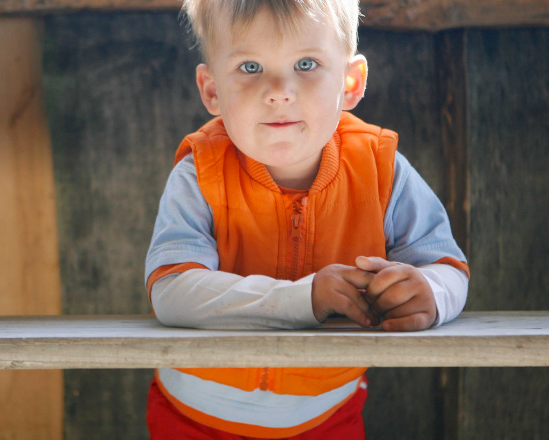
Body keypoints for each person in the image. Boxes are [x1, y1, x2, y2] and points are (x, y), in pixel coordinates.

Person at [144, 0, 469, 437]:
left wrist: (429, 293)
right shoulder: (200, 173)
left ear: (350, 82)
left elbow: (447, 267)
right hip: (194, 418)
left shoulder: (381, 170)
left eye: (306, 63)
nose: (279, 90)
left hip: (328, 418)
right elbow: (172, 290)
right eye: (250, 67)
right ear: (212, 90)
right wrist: (304, 299)